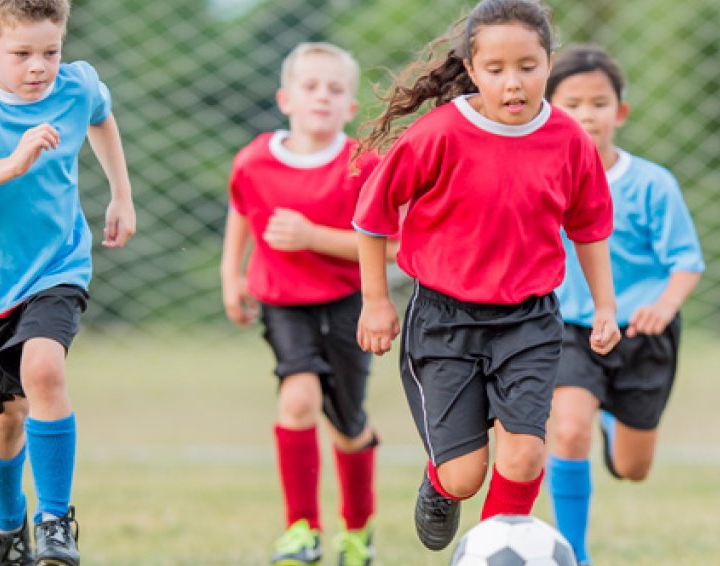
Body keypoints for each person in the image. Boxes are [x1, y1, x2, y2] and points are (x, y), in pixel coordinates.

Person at [352, 0, 622, 553]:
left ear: (550, 62)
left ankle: (488, 554)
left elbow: (590, 228)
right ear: (472, 72)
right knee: (464, 477)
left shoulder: (569, 140)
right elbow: (372, 216)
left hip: (529, 319)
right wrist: (375, 303)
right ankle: (437, 482)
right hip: (444, 319)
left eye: (528, 66)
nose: (513, 82)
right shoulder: (439, 134)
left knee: (524, 455)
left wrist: (605, 306)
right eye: (495, 69)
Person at [0, 1, 136, 564]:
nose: (39, 67)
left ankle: (56, 520)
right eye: (22, 54)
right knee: (6, 415)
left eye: (51, 52)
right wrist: (12, 163)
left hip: (58, 266)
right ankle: (9, 527)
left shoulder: (75, 85)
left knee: (43, 367)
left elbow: (100, 115)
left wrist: (121, 195)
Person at [220, 42, 384, 566]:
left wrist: (314, 236)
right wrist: (232, 275)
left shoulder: (364, 163)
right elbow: (242, 211)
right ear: (285, 98)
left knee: (349, 425)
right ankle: (300, 531)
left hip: (347, 302)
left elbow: (391, 245)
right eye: (311, 87)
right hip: (284, 301)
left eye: (335, 89)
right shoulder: (254, 160)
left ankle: (357, 533)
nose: (322, 97)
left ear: (351, 107)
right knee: (297, 400)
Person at [542, 45, 705, 566]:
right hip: (569, 328)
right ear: (550, 110)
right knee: (566, 430)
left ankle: (614, 418)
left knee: (634, 468)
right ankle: (575, 553)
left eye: (598, 103)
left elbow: (686, 262)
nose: (586, 115)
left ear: (621, 112)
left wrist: (663, 305)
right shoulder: (541, 180)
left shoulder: (653, 183)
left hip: (640, 332)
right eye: (572, 103)